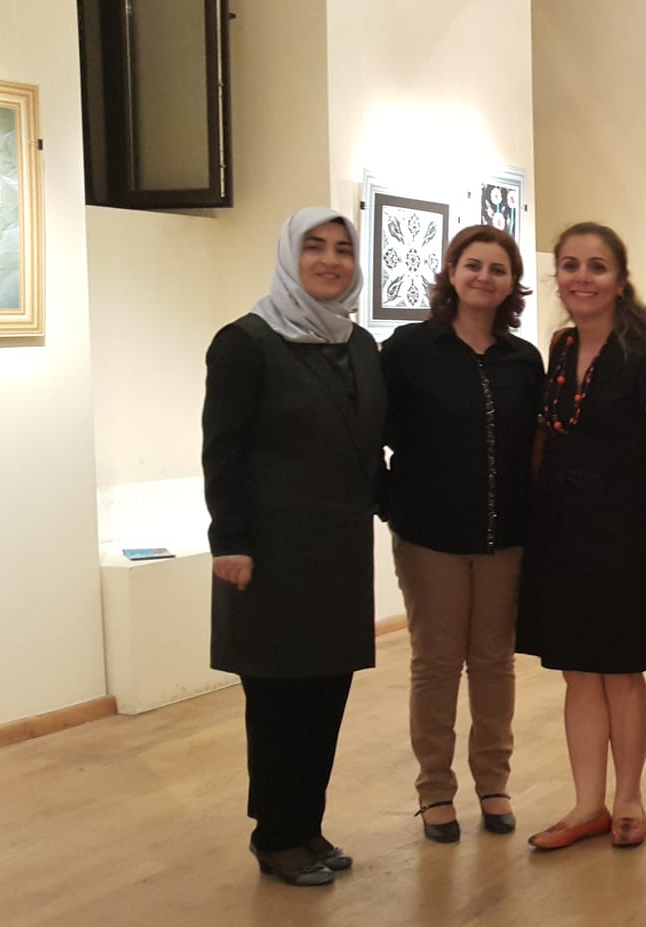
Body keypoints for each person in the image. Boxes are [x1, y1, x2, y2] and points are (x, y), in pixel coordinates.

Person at [202, 207, 386, 887]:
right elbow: (223, 450)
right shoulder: (245, 343)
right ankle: (275, 835)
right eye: (315, 247)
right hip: (271, 554)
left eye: (342, 248)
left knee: (325, 695)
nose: (330, 260)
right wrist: (230, 539)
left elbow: (368, 446)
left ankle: (307, 826)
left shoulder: (358, 344)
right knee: (279, 702)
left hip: (339, 551)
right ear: (290, 255)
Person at [516, 222, 646, 852]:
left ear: (621, 281)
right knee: (577, 671)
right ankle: (586, 804)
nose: (582, 278)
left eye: (597, 267)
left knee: (620, 670)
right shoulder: (561, 347)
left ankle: (628, 799)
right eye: (570, 265)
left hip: (620, 532)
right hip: (558, 531)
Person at [381, 225, 543, 843]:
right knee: (437, 662)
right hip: (430, 539)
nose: (484, 277)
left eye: (498, 269)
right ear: (451, 272)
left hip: (507, 538)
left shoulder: (522, 359)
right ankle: (435, 790)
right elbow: (372, 432)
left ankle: (494, 783)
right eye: (472, 265)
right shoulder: (408, 349)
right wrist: (390, 503)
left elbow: (534, 446)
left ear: (512, 283)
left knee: (495, 661)